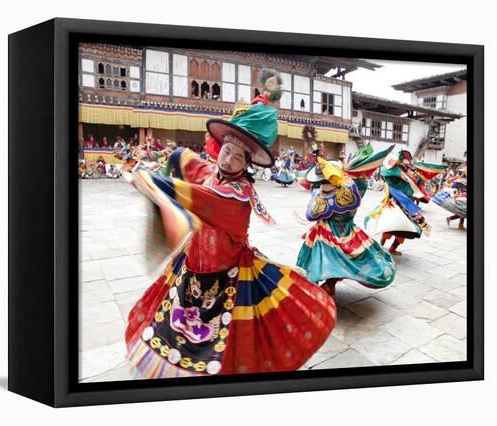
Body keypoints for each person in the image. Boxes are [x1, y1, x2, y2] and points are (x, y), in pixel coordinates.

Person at [124, 70, 336, 378]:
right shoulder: (214, 173)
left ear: (247, 164)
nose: (229, 161)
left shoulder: (234, 196)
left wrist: (148, 180)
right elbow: (188, 161)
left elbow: (198, 197)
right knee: (173, 332)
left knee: (229, 341)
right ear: (217, 147)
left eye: (238, 158)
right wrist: (170, 160)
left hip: (227, 276)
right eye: (226, 151)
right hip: (193, 268)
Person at [297, 146, 396, 297]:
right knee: (342, 259)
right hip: (348, 230)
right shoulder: (353, 188)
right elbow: (361, 183)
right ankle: (330, 285)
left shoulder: (320, 194)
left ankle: (328, 286)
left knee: (324, 259)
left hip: (326, 232)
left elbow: (311, 214)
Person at [365, 150, 431, 256]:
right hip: (393, 203)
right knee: (389, 226)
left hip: (405, 205)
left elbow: (417, 182)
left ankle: (392, 248)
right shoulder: (391, 171)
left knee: (405, 228)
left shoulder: (407, 172)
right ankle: (381, 246)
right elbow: (387, 173)